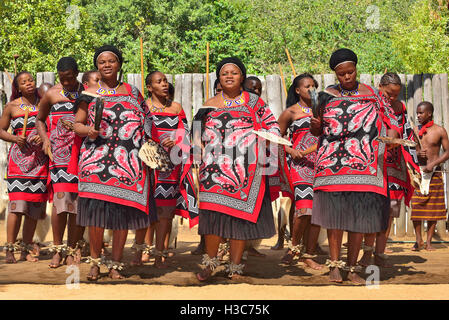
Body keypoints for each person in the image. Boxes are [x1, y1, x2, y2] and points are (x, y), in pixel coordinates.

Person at [73, 45, 174, 281]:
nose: (106, 65)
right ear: (97, 66)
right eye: (102, 62)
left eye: (111, 61)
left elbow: (148, 123)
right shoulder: (89, 92)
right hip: (95, 162)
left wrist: (153, 149)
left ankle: (116, 263)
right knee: (96, 217)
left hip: (128, 164)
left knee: (121, 216)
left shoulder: (133, 92)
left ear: (119, 65)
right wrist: (89, 130)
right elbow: (77, 125)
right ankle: (96, 263)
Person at [310, 48, 400, 284]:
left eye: (350, 72)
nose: (347, 77)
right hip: (332, 166)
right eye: (342, 74)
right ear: (335, 75)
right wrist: (315, 125)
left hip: (365, 166)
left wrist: (390, 138)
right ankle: (334, 266)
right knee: (335, 217)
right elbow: (316, 130)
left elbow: (392, 121)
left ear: (356, 69)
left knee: (359, 217)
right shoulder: (324, 96)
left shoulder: (372, 93)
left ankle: (352, 268)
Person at [194, 57, 279, 281]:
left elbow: (273, 126)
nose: (229, 76)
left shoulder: (254, 102)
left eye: (234, 73)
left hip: (246, 171)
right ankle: (209, 264)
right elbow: (195, 129)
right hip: (212, 170)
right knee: (212, 218)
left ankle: (234, 267)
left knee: (240, 217)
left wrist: (268, 139)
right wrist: (197, 148)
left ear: (242, 76)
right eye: (224, 74)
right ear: (219, 79)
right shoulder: (209, 103)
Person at [358, 72, 419, 267]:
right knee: (372, 210)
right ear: (380, 86)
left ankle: (380, 253)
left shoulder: (400, 107)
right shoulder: (369, 102)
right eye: (388, 93)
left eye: (396, 94)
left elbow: (407, 133)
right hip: (373, 162)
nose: (392, 98)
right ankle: (366, 254)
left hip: (394, 164)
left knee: (391, 210)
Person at [36, 57, 86, 268]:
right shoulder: (52, 94)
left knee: (78, 203)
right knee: (61, 201)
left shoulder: (87, 91)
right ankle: (57, 249)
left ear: (77, 73)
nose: (66, 82)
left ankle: (72, 248)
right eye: (63, 78)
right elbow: (39, 119)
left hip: (83, 154)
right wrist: (46, 138)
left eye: (70, 78)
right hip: (59, 156)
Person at [143, 70, 190, 268]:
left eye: (165, 81)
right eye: (159, 81)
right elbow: (137, 131)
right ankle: (144, 250)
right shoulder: (143, 107)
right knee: (147, 209)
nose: (164, 84)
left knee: (165, 210)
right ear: (149, 87)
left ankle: (160, 252)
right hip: (148, 162)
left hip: (171, 164)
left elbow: (186, 132)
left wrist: (177, 141)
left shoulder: (176, 107)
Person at [0, 71, 49, 263]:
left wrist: (44, 135)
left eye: (30, 80)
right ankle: (10, 249)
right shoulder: (12, 106)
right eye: (23, 82)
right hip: (18, 162)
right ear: (18, 87)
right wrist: (14, 138)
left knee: (34, 208)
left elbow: (51, 126)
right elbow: (1, 130)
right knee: (17, 206)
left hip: (39, 162)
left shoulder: (43, 103)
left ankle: (26, 249)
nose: (28, 83)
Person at [277, 73, 322, 270]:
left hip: (321, 164)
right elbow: (277, 138)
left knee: (318, 211)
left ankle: (309, 253)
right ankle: (294, 247)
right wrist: (291, 150)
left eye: (313, 86)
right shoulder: (290, 113)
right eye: (306, 86)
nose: (311, 89)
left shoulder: (322, 110)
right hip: (299, 166)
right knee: (304, 208)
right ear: (297, 90)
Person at [410, 101, 449, 251]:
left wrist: (433, 164)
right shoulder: (415, 130)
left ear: (429, 114)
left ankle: (428, 242)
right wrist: (417, 152)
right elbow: (412, 149)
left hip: (434, 172)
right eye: (417, 113)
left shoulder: (440, 131)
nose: (418, 115)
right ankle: (418, 240)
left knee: (433, 208)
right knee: (417, 207)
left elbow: (447, 152)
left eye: (421, 113)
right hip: (418, 173)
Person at [190, 78, 222, 256]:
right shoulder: (207, 108)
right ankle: (204, 243)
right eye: (216, 90)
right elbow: (195, 131)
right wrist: (203, 152)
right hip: (209, 164)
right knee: (207, 205)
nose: (219, 92)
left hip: (234, 163)